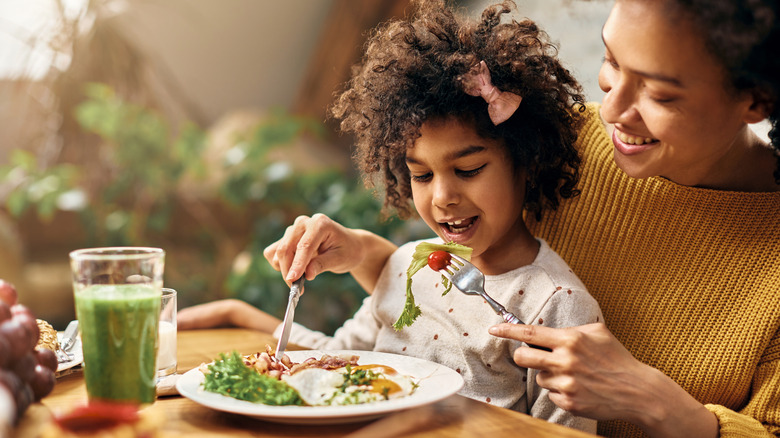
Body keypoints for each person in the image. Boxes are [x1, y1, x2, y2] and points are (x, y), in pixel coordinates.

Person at [182, 0, 780, 436]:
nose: (614, 110)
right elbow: (450, 320)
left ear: (756, 99)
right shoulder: (559, 141)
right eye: (611, 61)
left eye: (660, 93)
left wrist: (657, 402)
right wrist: (368, 256)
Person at [179, 0, 604, 432]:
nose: (442, 197)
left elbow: (562, 434)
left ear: (527, 161)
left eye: (469, 170)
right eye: (421, 175)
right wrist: (244, 318)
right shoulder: (410, 266)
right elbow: (337, 362)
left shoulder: (555, 307)